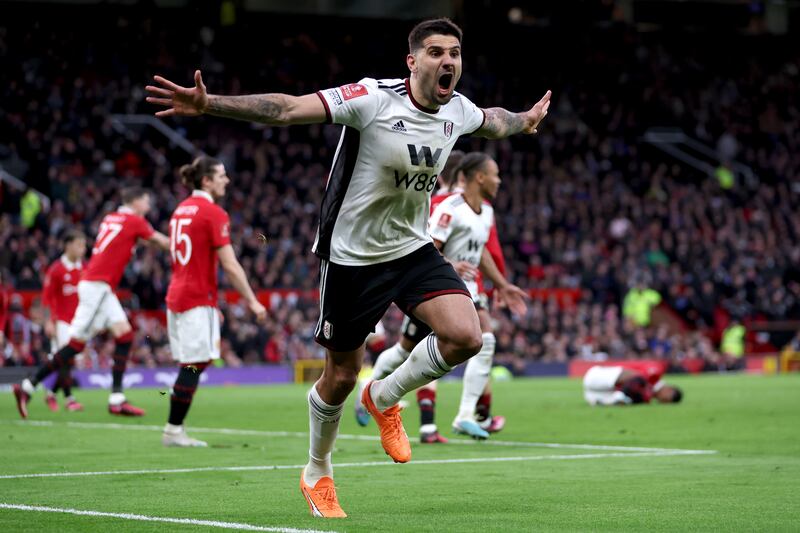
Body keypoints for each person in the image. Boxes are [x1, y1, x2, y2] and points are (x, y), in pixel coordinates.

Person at [147, 17, 550, 518]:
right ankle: (317, 470)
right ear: (413, 61)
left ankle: (384, 396)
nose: (448, 61)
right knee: (340, 375)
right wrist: (212, 104)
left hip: (411, 248)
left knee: (467, 336)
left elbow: (495, 119)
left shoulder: (458, 111)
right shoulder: (372, 98)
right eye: (435, 52)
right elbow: (287, 109)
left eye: (455, 53)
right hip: (352, 257)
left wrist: (526, 120)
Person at [357, 152, 518, 443]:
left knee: (484, 339)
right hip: (436, 289)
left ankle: (463, 415)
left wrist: (502, 284)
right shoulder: (449, 208)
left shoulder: (488, 212)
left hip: (466, 291)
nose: (499, 180)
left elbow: (480, 250)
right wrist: (450, 265)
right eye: (495, 174)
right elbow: (428, 245)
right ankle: (370, 391)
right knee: (407, 351)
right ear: (479, 177)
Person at [13, 187, 170, 418]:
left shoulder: (111, 218)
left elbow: (137, 241)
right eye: (146, 201)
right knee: (75, 346)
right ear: (135, 202)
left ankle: (116, 398)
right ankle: (28, 386)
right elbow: (159, 241)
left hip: (100, 287)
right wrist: (190, 243)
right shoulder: (134, 220)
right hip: (96, 287)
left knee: (125, 335)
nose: (149, 207)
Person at [163, 156, 267, 447]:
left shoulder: (180, 210)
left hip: (177, 295)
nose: (227, 180)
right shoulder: (213, 213)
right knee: (194, 365)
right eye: (222, 175)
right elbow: (230, 265)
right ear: (206, 180)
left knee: (195, 363)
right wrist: (252, 301)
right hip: (196, 297)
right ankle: (173, 430)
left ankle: (174, 428)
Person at [41, 230, 87, 412]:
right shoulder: (56, 269)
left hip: (79, 322)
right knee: (66, 359)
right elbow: (46, 298)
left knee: (67, 361)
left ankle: (51, 394)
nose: (82, 249)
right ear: (68, 245)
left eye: (84, 246)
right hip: (61, 321)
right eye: (79, 245)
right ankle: (69, 399)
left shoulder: (84, 268)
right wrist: (48, 322)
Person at [582, 363, 683, 406]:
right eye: (666, 399)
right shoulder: (654, 376)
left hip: (597, 393)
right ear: (669, 389)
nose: (662, 401)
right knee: (638, 380)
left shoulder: (648, 397)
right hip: (599, 375)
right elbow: (636, 376)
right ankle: (620, 396)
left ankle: (616, 398)